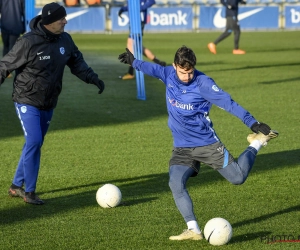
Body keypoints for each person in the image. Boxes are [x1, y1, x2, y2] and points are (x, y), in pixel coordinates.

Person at [118, 46, 278, 240]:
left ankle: (257, 143)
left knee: (238, 178)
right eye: (183, 72)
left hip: (207, 144)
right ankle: (193, 229)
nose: (187, 76)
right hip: (182, 147)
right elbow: (152, 69)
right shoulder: (168, 73)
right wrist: (134, 62)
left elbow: (229, 103)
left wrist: (253, 123)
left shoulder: (203, 84)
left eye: (190, 72)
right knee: (175, 183)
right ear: (175, 66)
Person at [0, 2, 105, 205]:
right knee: (34, 142)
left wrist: (93, 78)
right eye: (61, 19)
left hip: (49, 101)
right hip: (26, 99)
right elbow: (4, 65)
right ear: (48, 22)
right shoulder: (28, 42)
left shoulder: (65, 39)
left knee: (34, 142)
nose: (65, 21)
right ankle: (29, 192)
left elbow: (78, 63)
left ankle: (15, 186)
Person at [118, 0, 166, 80]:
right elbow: (130, 7)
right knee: (138, 47)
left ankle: (130, 72)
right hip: (133, 22)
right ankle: (159, 63)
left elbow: (152, 1)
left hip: (139, 23)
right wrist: (123, 9)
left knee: (130, 44)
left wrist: (139, 8)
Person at [0, 0, 26, 77]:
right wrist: (23, 26)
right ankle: (9, 70)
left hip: (4, 24)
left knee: (6, 47)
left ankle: (5, 70)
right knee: (13, 49)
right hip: (16, 24)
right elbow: (23, 11)